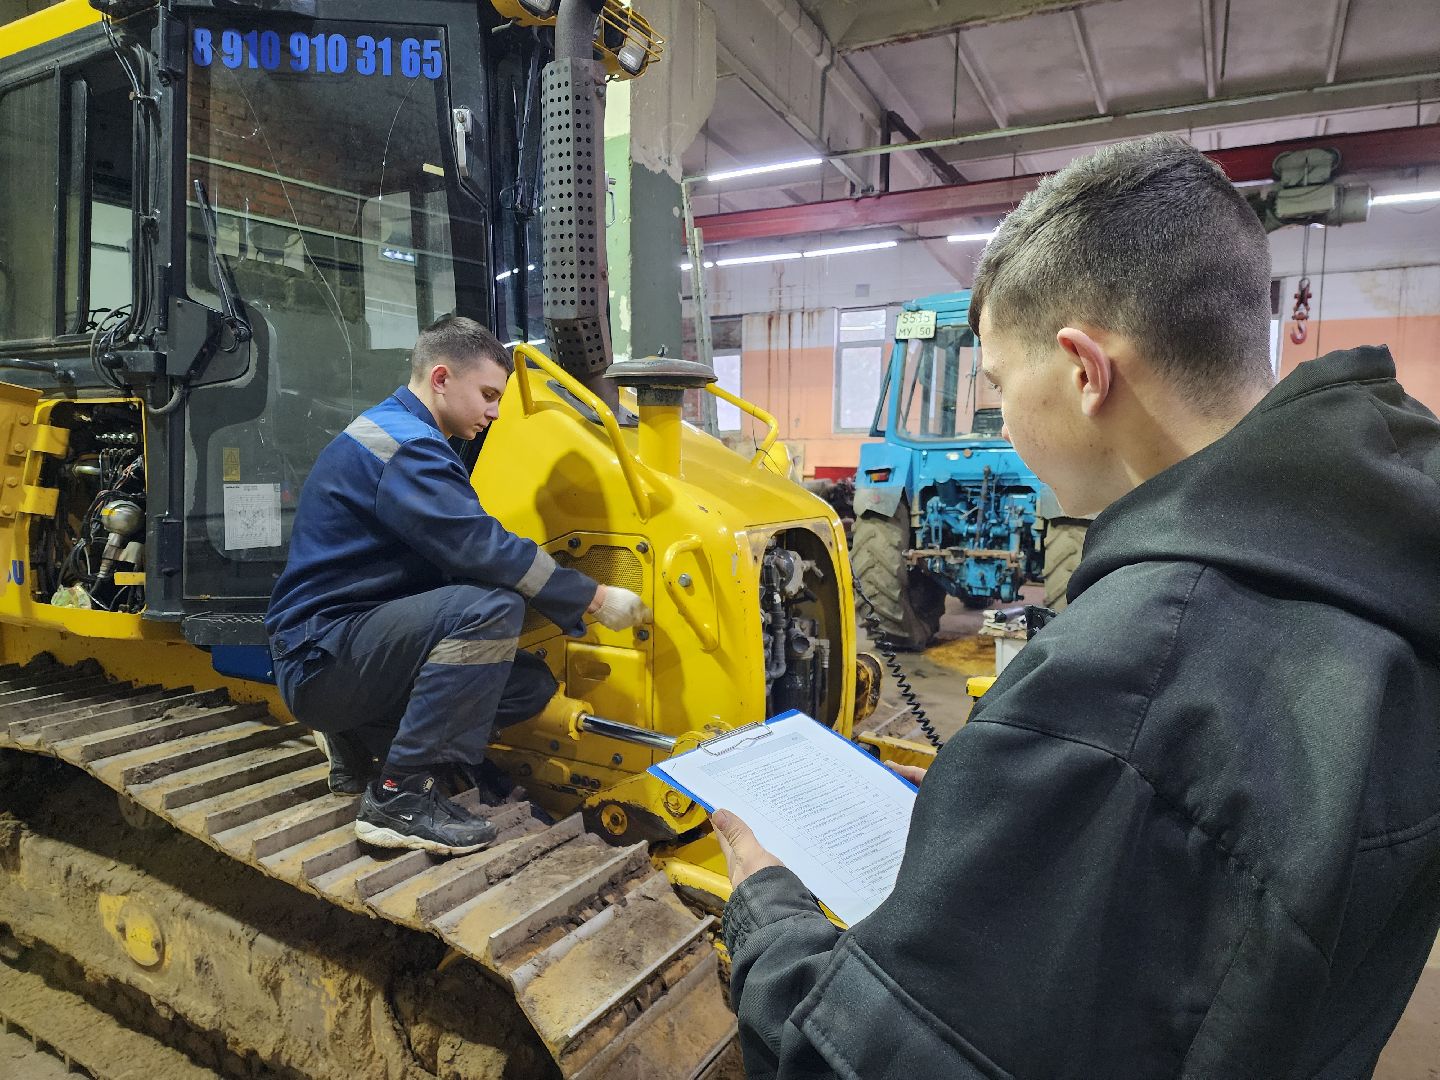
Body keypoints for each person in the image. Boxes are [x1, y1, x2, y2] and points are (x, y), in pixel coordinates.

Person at [713, 135, 1440, 1078]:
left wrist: (768, 912)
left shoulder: (1130, 674)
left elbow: (878, 1058)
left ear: (1084, 371)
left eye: (1000, 386)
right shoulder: (1387, 565)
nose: (1003, 422)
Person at [266, 316, 650, 856]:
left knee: (525, 685)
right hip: (322, 657)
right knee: (488, 610)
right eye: (488, 395)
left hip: (348, 646)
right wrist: (592, 596)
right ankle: (400, 796)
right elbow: (480, 546)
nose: (495, 412)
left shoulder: (410, 437)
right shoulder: (408, 448)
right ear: (441, 377)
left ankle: (361, 735)